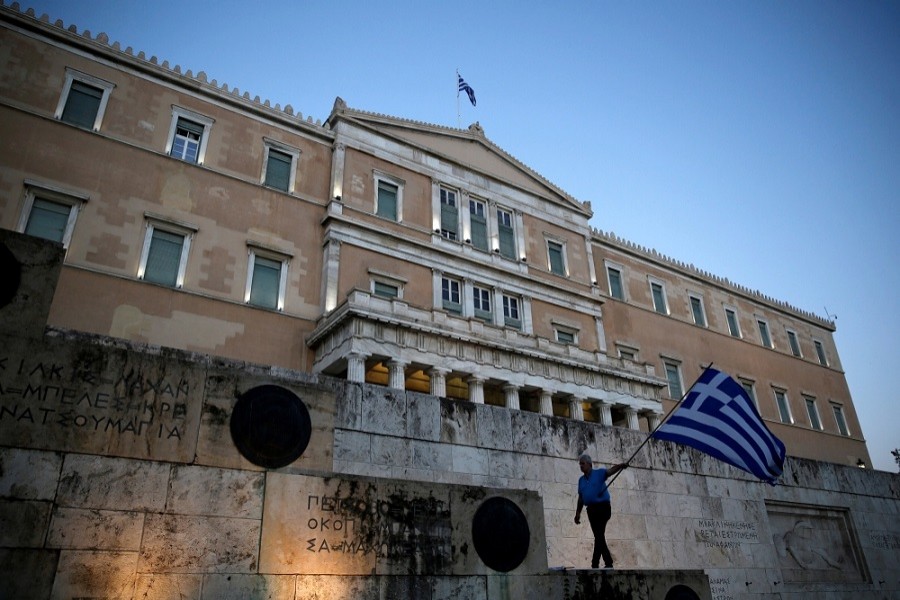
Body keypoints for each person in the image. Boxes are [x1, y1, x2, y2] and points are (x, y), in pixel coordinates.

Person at [574, 453, 628, 569]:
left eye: (583, 464)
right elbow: (581, 498)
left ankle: (596, 563)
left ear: (589, 464)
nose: (581, 466)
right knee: (599, 536)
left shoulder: (599, 473)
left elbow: (610, 471)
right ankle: (607, 563)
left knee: (599, 535)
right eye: (580, 464)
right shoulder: (581, 480)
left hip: (603, 507)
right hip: (591, 510)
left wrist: (620, 466)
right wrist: (578, 513)